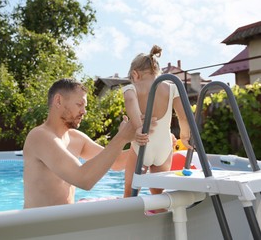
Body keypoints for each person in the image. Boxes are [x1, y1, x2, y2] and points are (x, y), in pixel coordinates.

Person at [23, 78, 149, 208]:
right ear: (58, 101)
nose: (84, 111)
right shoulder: (39, 136)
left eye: (85, 106)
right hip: (39, 225)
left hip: (64, 222)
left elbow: (117, 162)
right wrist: (121, 137)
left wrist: (145, 140)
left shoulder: (76, 138)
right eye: (79, 104)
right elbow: (84, 179)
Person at [122, 45, 191, 198]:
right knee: (159, 193)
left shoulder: (133, 88)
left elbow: (129, 99)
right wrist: (184, 136)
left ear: (135, 74)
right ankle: (161, 215)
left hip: (141, 144)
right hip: (164, 148)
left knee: (130, 189)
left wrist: (139, 127)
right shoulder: (172, 87)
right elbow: (183, 116)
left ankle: (129, 217)